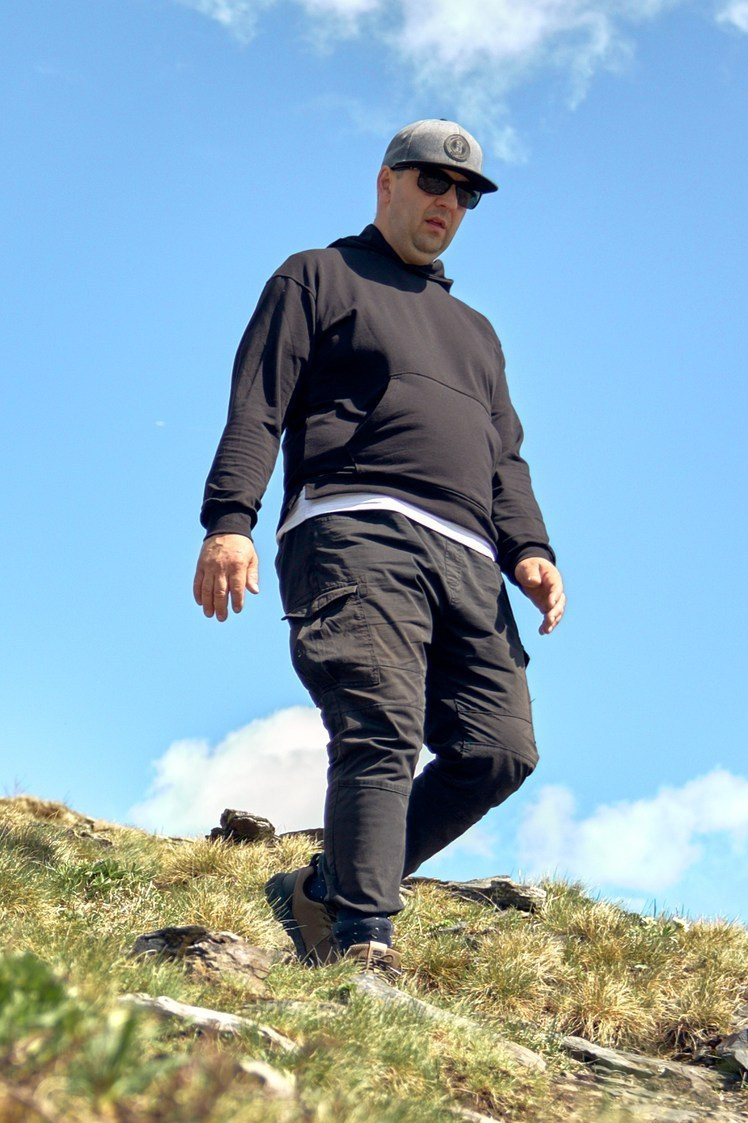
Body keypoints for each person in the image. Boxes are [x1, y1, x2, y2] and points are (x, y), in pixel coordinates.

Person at [192, 120, 566, 971]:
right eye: (434, 181)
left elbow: (504, 453)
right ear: (386, 181)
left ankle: (322, 893)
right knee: (380, 728)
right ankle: (366, 943)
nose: (449, 202)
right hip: (354, 525)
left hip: (469, 559)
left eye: (466, 193)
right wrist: (229, 520)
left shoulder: (477, 332)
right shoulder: (317, 275)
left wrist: (530, 549)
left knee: (499, 750)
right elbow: (258, 404)